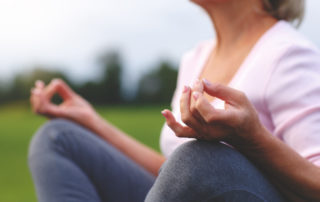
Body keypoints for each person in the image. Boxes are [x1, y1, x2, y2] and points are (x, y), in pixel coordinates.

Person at [28, 0, 320, 201]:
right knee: (58, 138)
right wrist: (91, 121)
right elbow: (177, 176)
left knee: (202, 160)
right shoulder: (196, 58)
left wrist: (251, 139)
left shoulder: (288, 55)